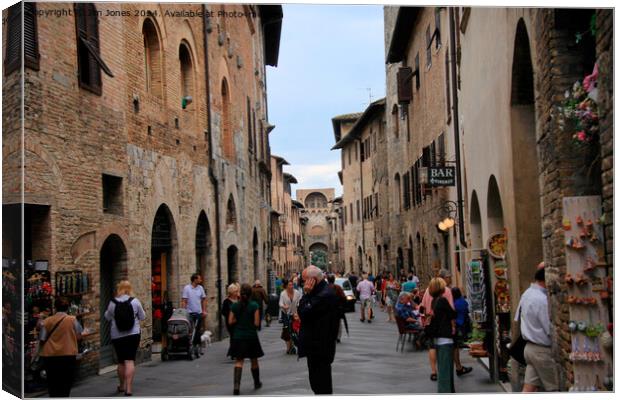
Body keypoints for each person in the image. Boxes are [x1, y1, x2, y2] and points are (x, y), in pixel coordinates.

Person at [515, 263, 559, 392]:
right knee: (554, 388)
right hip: (541, 351)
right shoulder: (542, 300)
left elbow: (518, 318)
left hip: (529, 349)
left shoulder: (527, 294)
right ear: (546, 280)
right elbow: (548, 328)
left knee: (528, 388)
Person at [298, 266, 340, 394]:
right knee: (317, 384)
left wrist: (305, 294)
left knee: (321, 385)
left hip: (320, 348)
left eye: (304, 280)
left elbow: (303, 312)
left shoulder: (324, 295)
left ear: (313, 280)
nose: (303, 284)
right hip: (317, 347)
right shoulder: (320, 292)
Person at [104, 280, 146, 396]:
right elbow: (142, 316)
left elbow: (107, 317)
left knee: (121, 361)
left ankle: (121, 385)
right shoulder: (135, 301)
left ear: (119, 289)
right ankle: (129, 388)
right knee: (130, 360)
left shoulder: (113, 303)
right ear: (130, 289)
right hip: (133, 334)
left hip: (117, 336)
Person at [39, 297, 83, 397]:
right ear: (67, 308)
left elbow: (42, 339)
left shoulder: (47, 321)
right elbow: (79, 337)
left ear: (55, 308)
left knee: (52, 383)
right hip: (68, 355)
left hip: (50, 356)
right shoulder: (72, 320)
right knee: (66, 383)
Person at [228, 283, 264, 395]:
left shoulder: (234, 306)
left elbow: (230, 321)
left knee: (239, 361)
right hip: (251, 336)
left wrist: (238, 321)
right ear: (250, 293)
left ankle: (236, 386)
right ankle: (257, 382)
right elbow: (256, 323)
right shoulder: (254, 305)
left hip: (238, 336)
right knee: (254, 360)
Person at [421, 270, 455, 381]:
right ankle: (454, 369)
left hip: (431, 326)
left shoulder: (428, 292)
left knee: (432, 347)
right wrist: (453, 326)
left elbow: (423, 307)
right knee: (445, 357)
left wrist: (427, 318)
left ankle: (433, 371)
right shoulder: (446, 293)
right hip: (444, 329)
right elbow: (452, 311)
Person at [426, 278, 456, 393]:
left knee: (445, 370)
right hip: (445, 338)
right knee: (445, 372)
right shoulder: (442, 300)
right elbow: (452, 314)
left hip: (439, 338)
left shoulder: (434, 301)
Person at [181, 273, 207, 356]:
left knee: (198, 330)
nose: (201, 280)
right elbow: (184, 300)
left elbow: (203, 300)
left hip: (198, 312)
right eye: (199, 279)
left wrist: (204, 310)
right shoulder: (187, 288)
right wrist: (183, 312)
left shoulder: (200, 288)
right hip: (189, 313)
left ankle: (198, 347)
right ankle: (189, 345)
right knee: (190, 330)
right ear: (195, 279)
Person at [452, 287, 473, 376]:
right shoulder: (462, 301)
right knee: (456, 346)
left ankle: (458, 367)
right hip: (463, 323)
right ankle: (458, 367)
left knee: (455, 346)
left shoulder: (453, 303)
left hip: (457, 324)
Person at [279, 279, 301, 354]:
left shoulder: (297, 293)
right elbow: (280, 303)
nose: (291, 286)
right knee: (286, 330)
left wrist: (298, 310)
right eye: (290, 285)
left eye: (292, 285)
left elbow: (300, 301)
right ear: (286, 286)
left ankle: (297, 345)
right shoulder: (283, 293)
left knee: (295, 330)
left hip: (295, 314)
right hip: (286, 314)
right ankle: (289, 347)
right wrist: (284, 306)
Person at [221, 283, 240, 358]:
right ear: (231, 292)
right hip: (231, 322)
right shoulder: (226, 301)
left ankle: (234, 351)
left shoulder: (238, 299)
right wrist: (231, 315)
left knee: (238, 337)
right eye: (235, 291)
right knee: (233, 336)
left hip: (239, 321)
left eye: (237, 291)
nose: (236, 293)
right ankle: (233, 353)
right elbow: (223, 312)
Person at [327, 273, 347, 342]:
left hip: (327, 309)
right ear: (334, 280)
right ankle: (338, 337)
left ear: (328, 280)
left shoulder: (325, 287)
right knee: (338, 323)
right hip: (337, 308)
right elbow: (343, 297)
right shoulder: (338, 287)